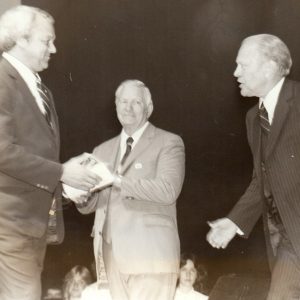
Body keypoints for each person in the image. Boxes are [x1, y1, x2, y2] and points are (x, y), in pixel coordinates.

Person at [0, 5, 100, 300]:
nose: (54, 49)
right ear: (21, 39)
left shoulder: (38, 87)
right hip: (11, 223)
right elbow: (2, 150)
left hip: (31, 225)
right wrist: (62, 172)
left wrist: (66, 185)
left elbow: (30, 157)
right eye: (47, 41)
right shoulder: (2, 80)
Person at [206, 34, 300, 299]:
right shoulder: (253, 118)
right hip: (287, 245)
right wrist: (234, 222)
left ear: (269, 67)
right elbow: (263, 179)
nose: (235, 73)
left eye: (243, 65)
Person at [77, 79, 185, 300]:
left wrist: (117, 180)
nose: (128, 107)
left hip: (151, 257)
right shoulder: (102, 150)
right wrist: (81, 196)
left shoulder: (169, 142)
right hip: (112, 258)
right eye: (123, 101)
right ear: (116, 106)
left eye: (136, 102)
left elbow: (168, 190)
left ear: (149, 108)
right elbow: (94, 203)